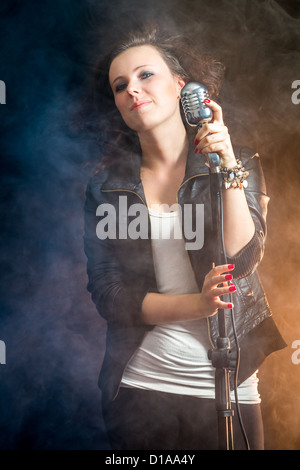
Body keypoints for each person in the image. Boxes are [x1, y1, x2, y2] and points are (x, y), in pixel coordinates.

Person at [83, 25, 286, 450]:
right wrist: (197, 304)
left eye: (145, 76)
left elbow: (243, 256)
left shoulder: (237, 161)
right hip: (139, 387)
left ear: (182, 85)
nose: (132, 91)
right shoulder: (106, 189)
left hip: (227, 387)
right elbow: (109, 294)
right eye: (120, 86)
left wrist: (227, 164)